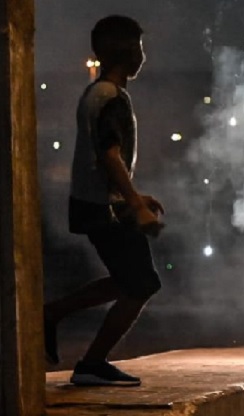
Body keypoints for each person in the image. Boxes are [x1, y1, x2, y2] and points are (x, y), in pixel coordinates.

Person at [43, 15, 165, 386]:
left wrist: (132, 196)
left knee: (128, 279)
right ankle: (92, 363)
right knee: (143, 284)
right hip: (104, 210)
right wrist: (136, 205)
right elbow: (110, 155)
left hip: (98, 203)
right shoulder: (112, 98)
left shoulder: (95, 94)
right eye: (139, 48)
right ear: (125, 52)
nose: (143, 56)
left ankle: (54, 313)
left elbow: (99, 158)